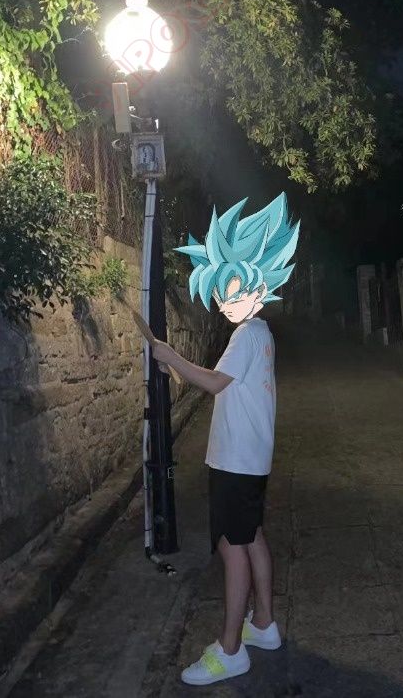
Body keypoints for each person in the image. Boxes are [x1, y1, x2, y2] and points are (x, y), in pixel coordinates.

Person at [151, 193, 300, 686]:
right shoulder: (261, 333)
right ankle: (264, 625)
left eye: (232, 288)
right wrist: (177, 367)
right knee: (250, 537)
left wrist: (171, 357)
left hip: (236, 462)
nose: (223, 300)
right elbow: (226, 386)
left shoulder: (247, 334)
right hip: (249, 460)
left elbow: (215, 383)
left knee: (232, 549)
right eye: (221, 291)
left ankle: (231, 650)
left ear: (260, 282)